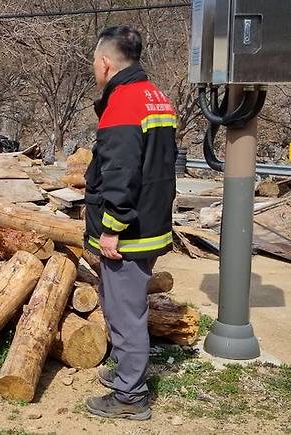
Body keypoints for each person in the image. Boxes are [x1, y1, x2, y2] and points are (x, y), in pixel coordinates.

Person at [84, 26, 177, 420]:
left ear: (106, 62)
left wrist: (111, 227)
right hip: (153, 220)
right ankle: (127, 373)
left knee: (126, 313)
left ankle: (130, 397)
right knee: (121, 305)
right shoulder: (158, 97)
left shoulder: (122, 103)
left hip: (129, 232)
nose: (93, 69)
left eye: (94, 62)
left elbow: (120, 173)